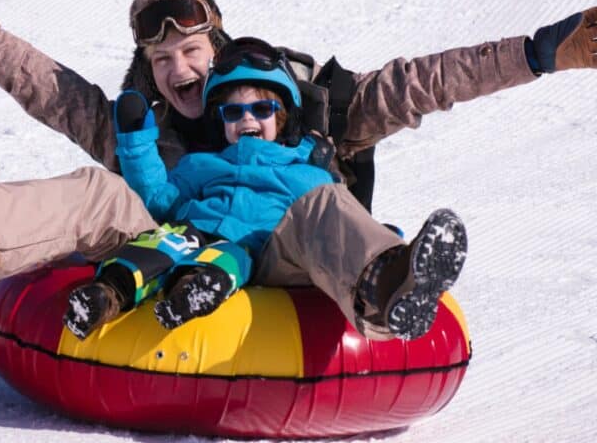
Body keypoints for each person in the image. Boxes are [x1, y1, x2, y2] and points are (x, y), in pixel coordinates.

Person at [0, 0, 595, 287]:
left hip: (289, 256)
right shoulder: (147, 131)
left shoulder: (305, 106)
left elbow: (426, 82)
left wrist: (538, 53)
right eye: (159, 60)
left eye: (189, 50)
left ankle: (388, 282)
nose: (177, 70)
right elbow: (42, 83)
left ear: (217, 46)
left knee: (318, 205)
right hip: (172, 257)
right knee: (102, 188)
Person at [62, 39, 467, 341]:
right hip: (208, 249)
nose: (247, 119)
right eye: (233, 112)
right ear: (220, 121)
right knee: (172, 238)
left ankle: (390, 278)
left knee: (324, 201)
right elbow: (158, 199)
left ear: (283, 115)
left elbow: (338, 222)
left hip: (276, 253)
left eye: (261, 109)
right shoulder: (203, 165)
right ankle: (124, 295)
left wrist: (385, 237)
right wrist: (136, 142)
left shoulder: (307, 170)